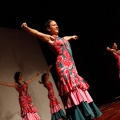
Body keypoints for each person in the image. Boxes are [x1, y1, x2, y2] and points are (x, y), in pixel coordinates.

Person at [21, 20, 102, 120]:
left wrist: (72, 36)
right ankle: (79, 115)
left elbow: (66, 38)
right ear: (48, 29)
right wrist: (26, 28)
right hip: (63, 66)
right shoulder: (50, 38)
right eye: (54, 25)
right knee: (71, 88)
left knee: (77, 87)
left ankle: (86, 112)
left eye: (57, 24)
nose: (57, 26)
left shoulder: (62, 38)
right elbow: (37, 33)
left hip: (72, 66)